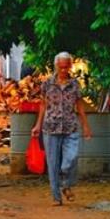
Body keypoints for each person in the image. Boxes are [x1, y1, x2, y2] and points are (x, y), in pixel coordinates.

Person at [31, 52, 92, 206]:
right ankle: (56, 197)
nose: (64, 70)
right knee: (52, 163)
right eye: (61, 67)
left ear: (70, 66)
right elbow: (43, 104)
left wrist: (85, 126)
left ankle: (66, 184)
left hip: (70, 126)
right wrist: (37, 124)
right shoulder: (47, 84)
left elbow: (79, 106)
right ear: (56, 66)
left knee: (71, 159)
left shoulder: (75, 85)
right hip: (50, 127)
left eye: (66, 67)